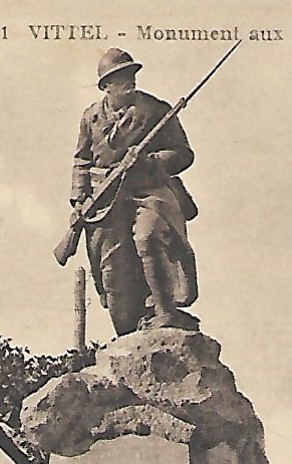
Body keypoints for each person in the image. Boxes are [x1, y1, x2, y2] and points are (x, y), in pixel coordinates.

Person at [70, 48, 200, 336]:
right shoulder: (90, 117)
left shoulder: (156, 110)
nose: (130, 81)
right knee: (112, 267)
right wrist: (80, 199)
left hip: (149, 189)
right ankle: (128, 333)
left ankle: (166, 311)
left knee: (149, 236)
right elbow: (82, 159)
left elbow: (183, 154)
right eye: (120, 78)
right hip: (106, 197)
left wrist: (149, 162)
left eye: (131, 75)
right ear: (105, 86)